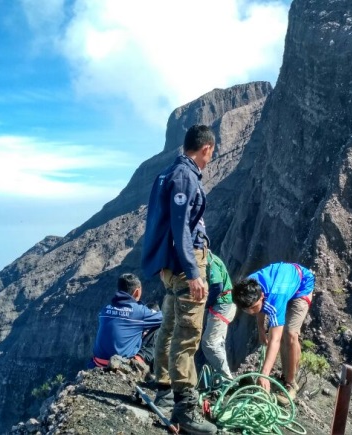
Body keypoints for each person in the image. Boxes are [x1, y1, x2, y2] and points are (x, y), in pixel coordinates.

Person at [141, 124, 217, 434]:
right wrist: (194, 272)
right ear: (206, 149)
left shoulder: (167, 173)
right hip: (186, 264)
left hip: (170, 265)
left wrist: (162, 262)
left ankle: (165, 389)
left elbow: (158, 222)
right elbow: (181, 227)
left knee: (169, 326)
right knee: (187, 334)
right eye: (212, 152)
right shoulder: (185, 176)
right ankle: (186, 408)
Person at [232, 262, 315, 405]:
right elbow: (259, 308)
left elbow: (275, 339)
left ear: (262, 296)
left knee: (289, 334)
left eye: (252, 308)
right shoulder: (248, 287)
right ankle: (290, 372)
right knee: (280, 331)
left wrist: (264, 375)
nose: (250, 312)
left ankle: (290, 383)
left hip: (302, 284)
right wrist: (261, 330)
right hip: (284, 279)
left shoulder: (275, 297)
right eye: (246, 309)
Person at [89, 273, 163, 371]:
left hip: (97, 362)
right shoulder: (139, 312)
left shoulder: (105, 309)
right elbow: (165, 317)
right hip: (121, 364)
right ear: (137, 292)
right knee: (157, 325)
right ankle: (152, 370)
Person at [200, 251, 235, 380]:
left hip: (222, 304)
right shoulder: (207, 260)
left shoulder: (211, 262)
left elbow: (217, 286)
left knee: (210, 343)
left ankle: (226, 378)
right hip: (220, 304)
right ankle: (219, 377)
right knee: (216, 342)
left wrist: (206, 304)